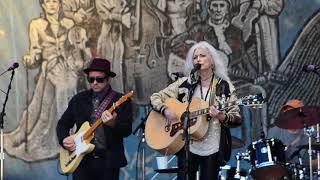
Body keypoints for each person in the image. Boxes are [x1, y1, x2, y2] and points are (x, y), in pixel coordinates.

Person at [150, 41, 242, 180]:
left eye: (202, 55)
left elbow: (236, 118)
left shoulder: (225, 86)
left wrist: (221, 116)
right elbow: (155, 97)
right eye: (195, 57)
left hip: (213, 148)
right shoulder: (185, 83)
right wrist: (166, 110)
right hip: (186, 146)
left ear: (212, 60)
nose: (198, 59)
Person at [4, 0, 79, 161]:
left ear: (59, 5)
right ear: (43, 5)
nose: (52, 4)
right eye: (48, 2)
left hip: (67, 67)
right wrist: (31, 59)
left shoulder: (69, 23)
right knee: (44, 109)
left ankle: (70, 135)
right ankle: (59, 138)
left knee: (69, 86)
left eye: (55, 1)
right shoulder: (36, 25)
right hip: (51, 68)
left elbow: (75, 47)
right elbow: (35, 51)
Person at [56, 57, 133, 180]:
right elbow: (63, 124)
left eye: (99, 79)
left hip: (108, 162)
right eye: (91, 79)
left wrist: (113, 123)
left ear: (108, 79)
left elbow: (127, 130)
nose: (95, 83)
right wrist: (64, 139)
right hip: (81, 160)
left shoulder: (120, 100)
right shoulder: (78, 99)